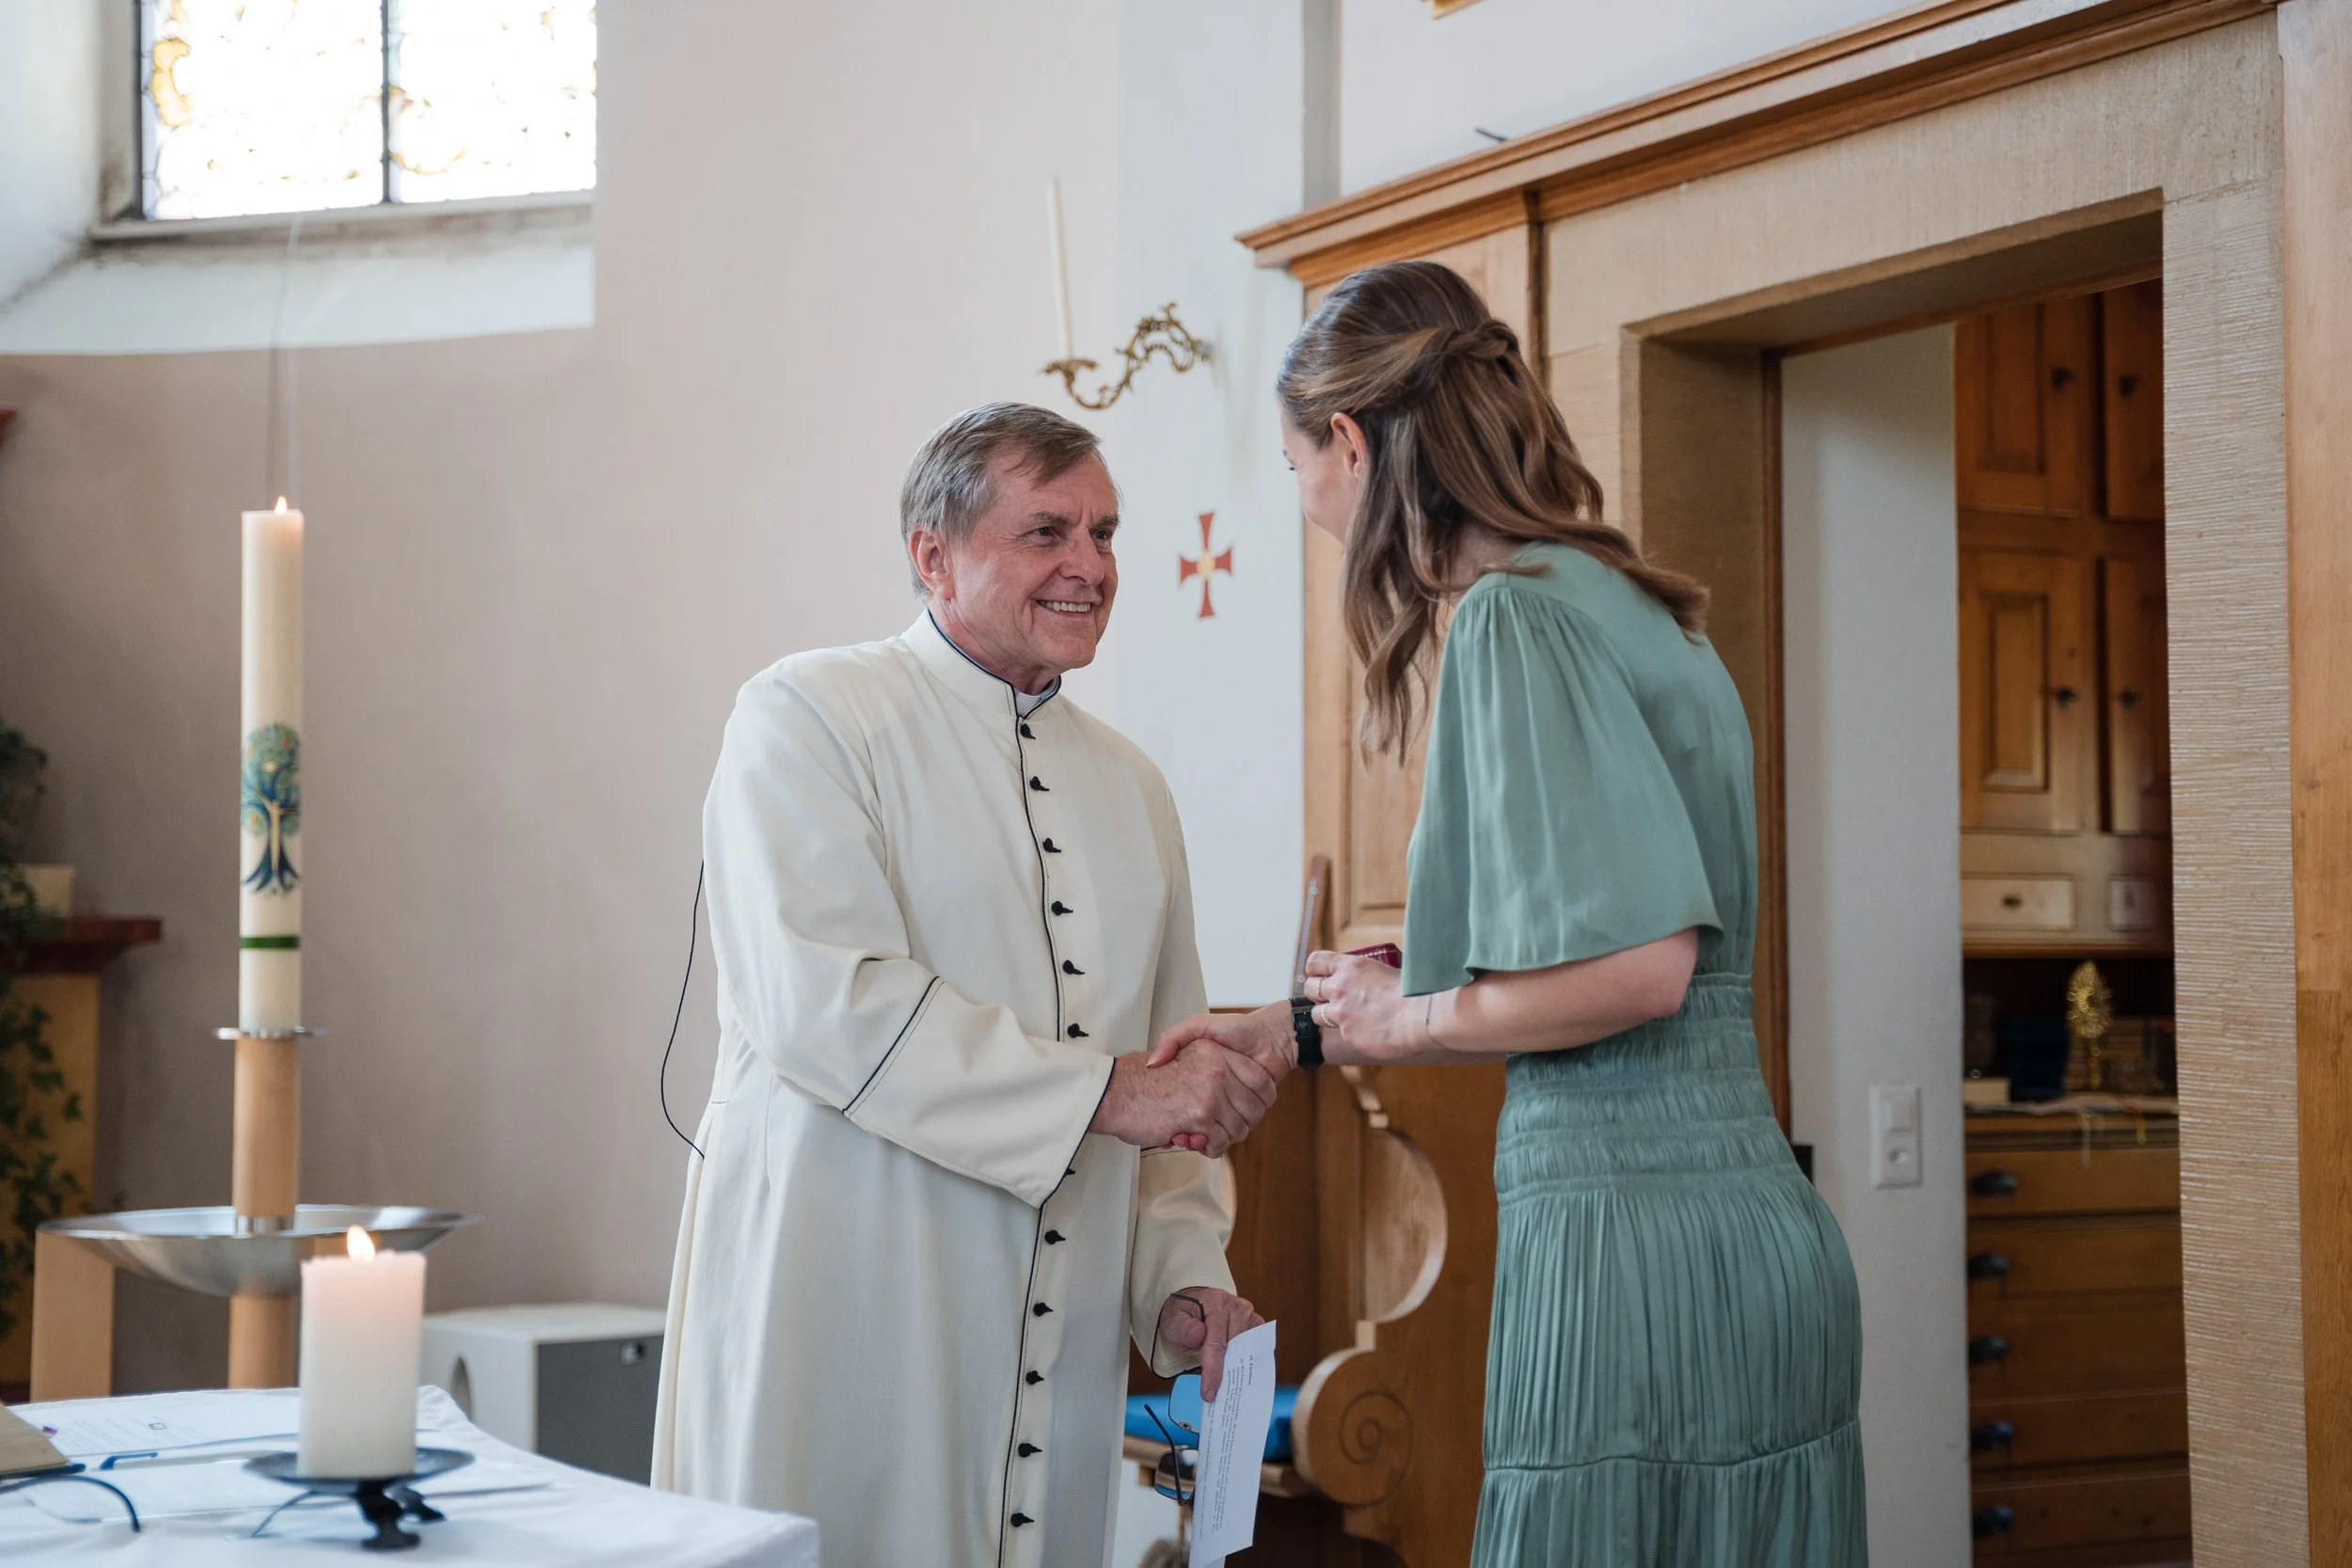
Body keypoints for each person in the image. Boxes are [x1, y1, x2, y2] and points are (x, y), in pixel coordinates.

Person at [1152, 261, 1867, 1566]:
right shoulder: (1636, 604)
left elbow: (1644, 969)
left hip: (1625, 1238)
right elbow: (1580, 954)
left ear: (1353, 443)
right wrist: (1280, 1028)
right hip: (1752, 1229)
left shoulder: (1511, 623)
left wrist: (1408, 1010)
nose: (1304, 496)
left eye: (1295, 458)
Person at [653, 403, 1274, 1568]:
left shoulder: (1132, 787)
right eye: (1047, 532)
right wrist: (1104, 1094)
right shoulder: (808, 716)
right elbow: (823, 1002)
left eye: (1104, 532)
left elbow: (1168, 1079)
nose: (1089, 566)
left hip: (1063, 1329)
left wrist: (1179, 1281)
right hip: (850, 1299)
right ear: (931, 555)